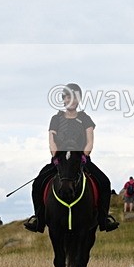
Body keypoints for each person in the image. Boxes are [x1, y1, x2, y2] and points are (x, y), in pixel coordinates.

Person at [24, 83, 119, 233]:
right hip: (60, 161)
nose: (71, 100)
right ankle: (39, 219)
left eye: (74, 97)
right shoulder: (56, 118)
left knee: (104, 182)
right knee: (37, 184)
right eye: (68, 96)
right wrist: (55, 156)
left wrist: (84, 156)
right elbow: (51, 140)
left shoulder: (85, 118)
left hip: (81, 160)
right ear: (63, 99)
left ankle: (103, 219)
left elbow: (90, 141)